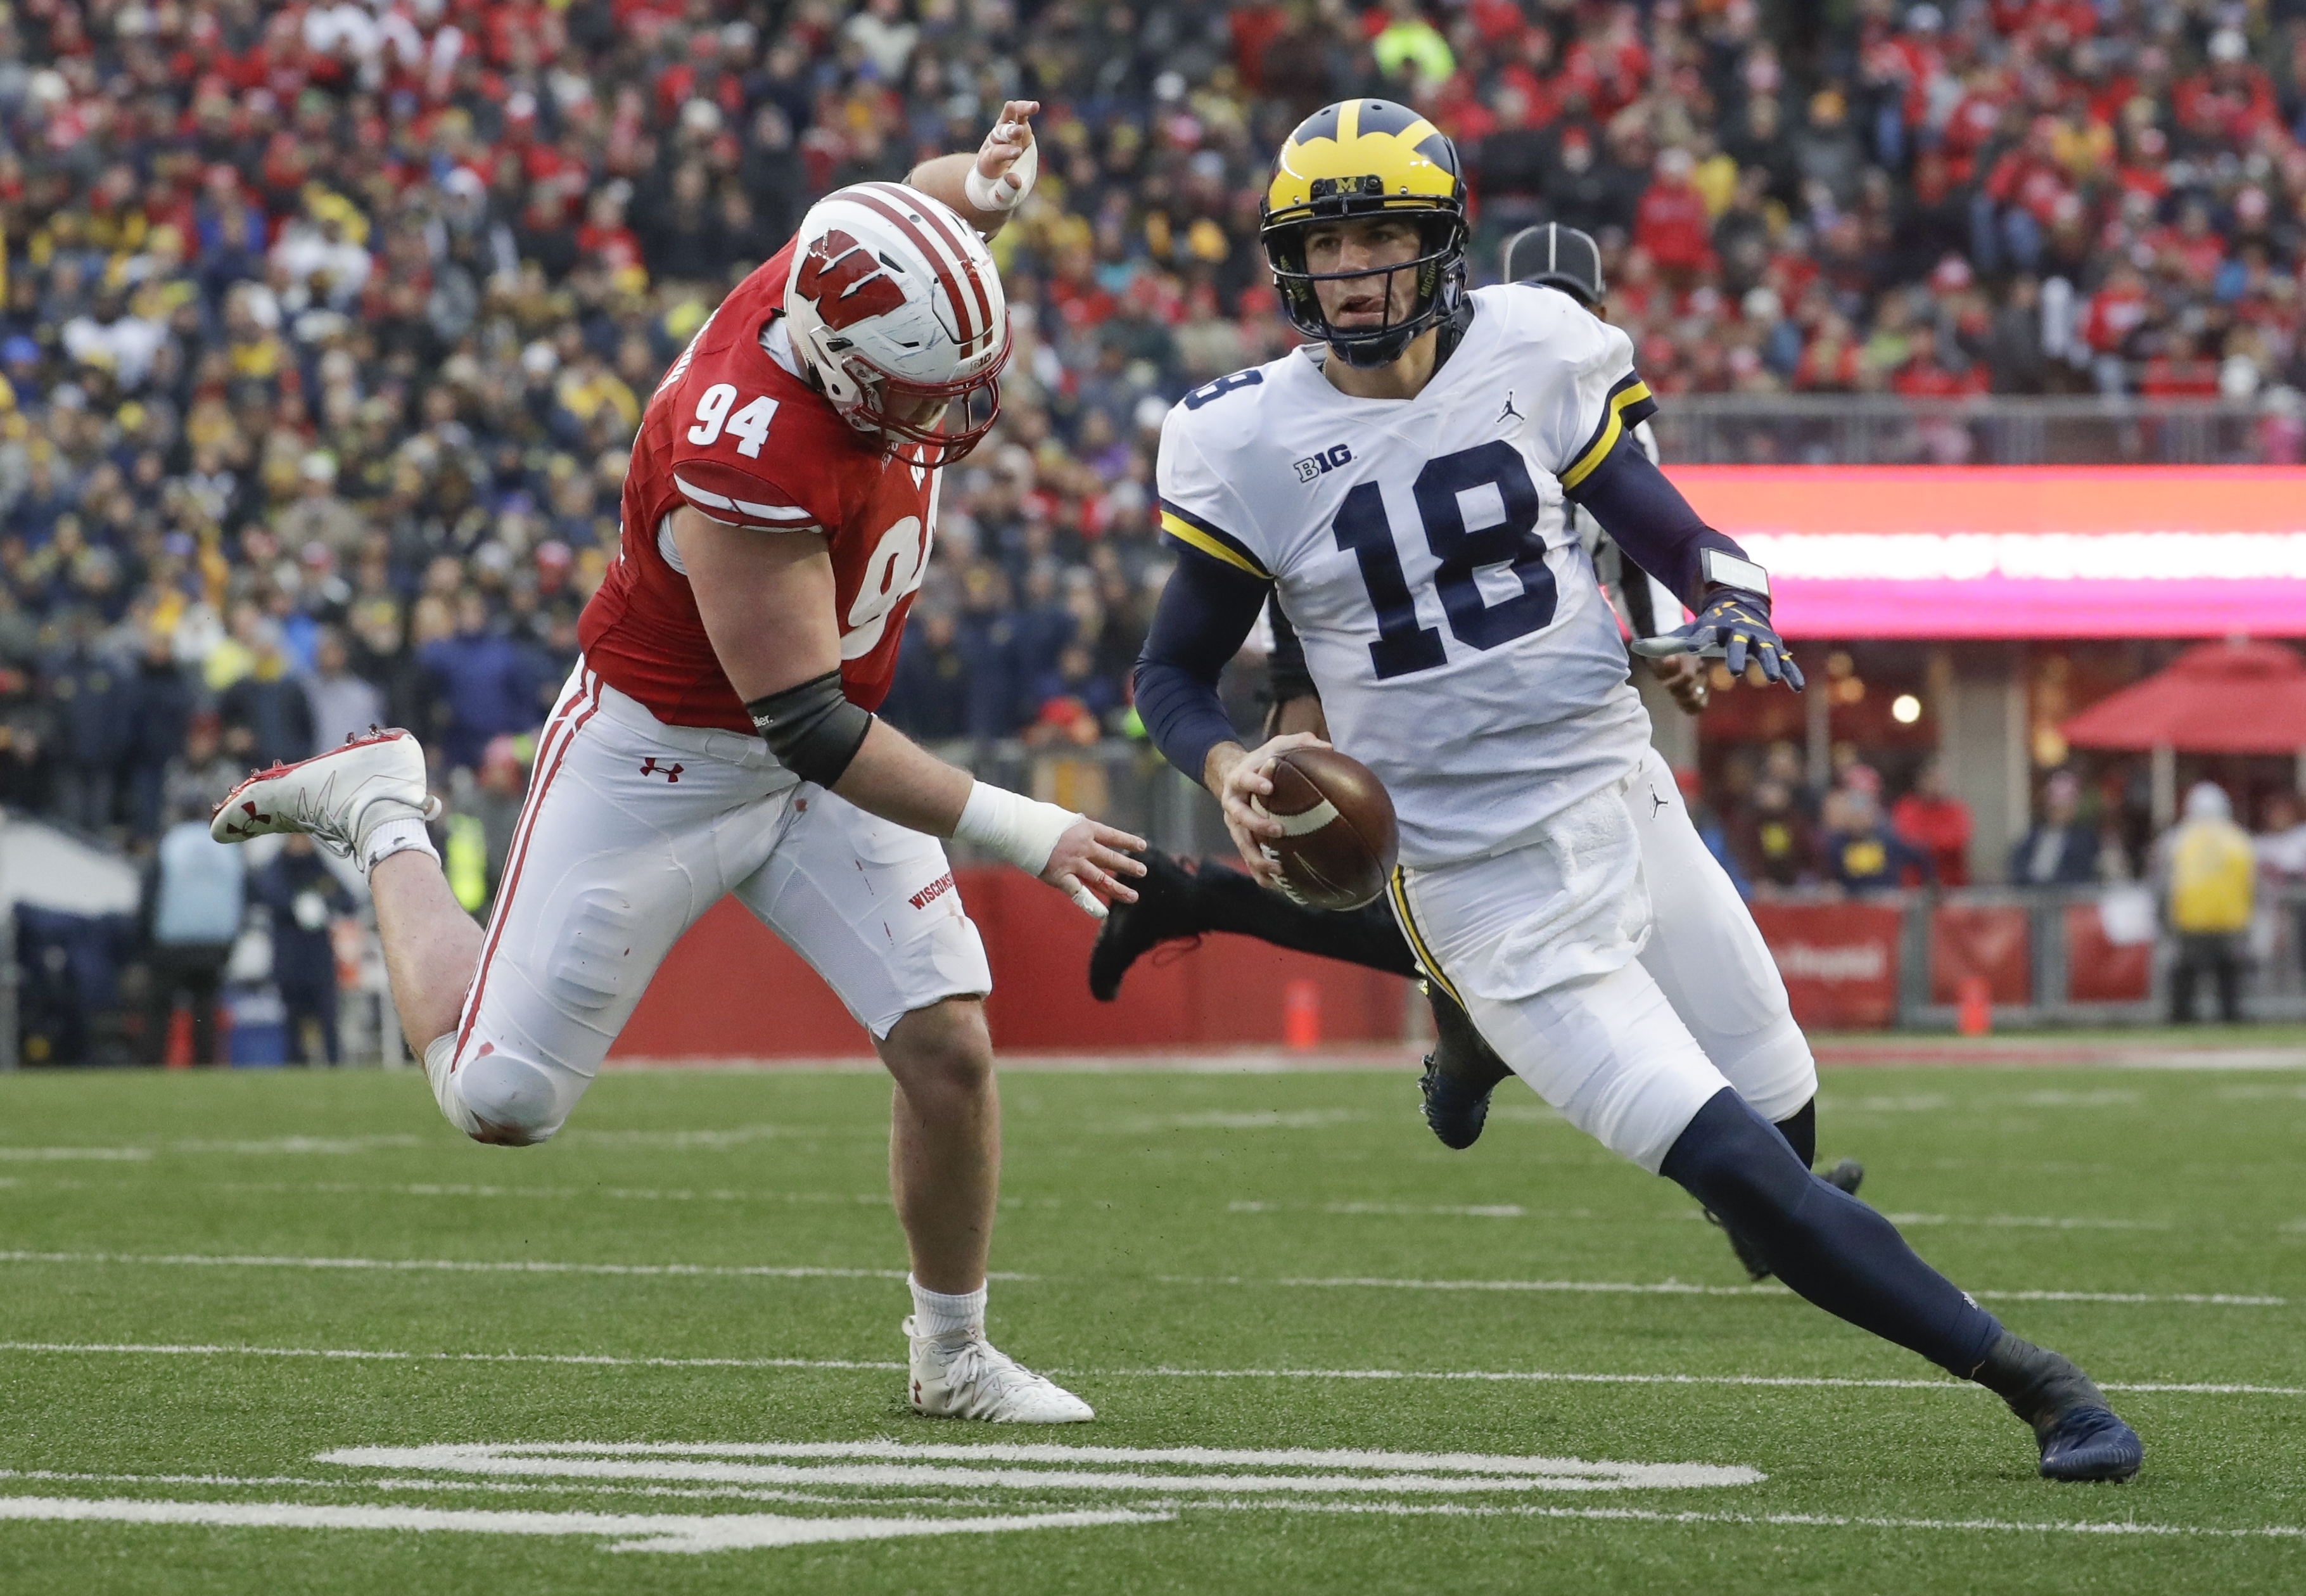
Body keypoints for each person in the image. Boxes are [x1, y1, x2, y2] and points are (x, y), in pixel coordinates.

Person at [1130, 99, 2138, 1483]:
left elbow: (1674, 531)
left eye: (1385, 236)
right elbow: (1168, 671)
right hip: (1478, 881)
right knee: (1736, 1168)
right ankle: (2037, 1382)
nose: (1356, 270)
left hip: (1619, 789)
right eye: (1330, 242)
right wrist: (1228, 758)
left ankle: (1530, 1083)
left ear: (1444, 245)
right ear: (1288, 262)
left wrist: (1725, 601)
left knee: (1783, 1122)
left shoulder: (1536, 345)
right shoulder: (1241, 438)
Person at [210, 107, 1145, 1426]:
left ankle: (950, 1355)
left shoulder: (832, 270)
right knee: (500, 1099)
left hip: (816, 755)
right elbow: (809, 725)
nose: (950, 410)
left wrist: (974, 186)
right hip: (667, 761)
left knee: (946, 1045)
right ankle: (382, 813)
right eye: (923, 386)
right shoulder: (741, 452)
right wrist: (1023, 826)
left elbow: (914, 210)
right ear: (835, 365)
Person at [145, 800, 246, 1066]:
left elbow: (150, 893)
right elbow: (240, 895)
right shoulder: (228, 845)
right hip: (215, 941)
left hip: (172, 941)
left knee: (160, 1008)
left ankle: (153, 1064)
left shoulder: (170, 844)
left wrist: (145, 939)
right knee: (205, 1007)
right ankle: (205, 1064)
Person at [249, 831, 354, 1064]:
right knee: (292, 1021)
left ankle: (336, 1067)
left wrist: (325, 903)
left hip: (318, 960)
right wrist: (295, 904)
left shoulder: (319, 866)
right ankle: (295, 1066)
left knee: (327, 1019)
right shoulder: (277, 867)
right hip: (289, 958)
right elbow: (264, 893)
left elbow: (348, 901)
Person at [2162, 781, 2253, 1023]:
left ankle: (2181, 1020)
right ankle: (2231, 1020)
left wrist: (2163, 919)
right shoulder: (2239, 839)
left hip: (2190, 921)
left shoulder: (2178, 839)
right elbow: (2254, 884)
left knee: (2185, 978)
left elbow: (2163, 883)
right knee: (2229, 980)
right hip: (2231, 921)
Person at [2007, 770, 2099, 886]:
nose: (2059, 812)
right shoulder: (2033, 835)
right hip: (2031, 896)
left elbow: (2081, 874)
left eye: (2064, 808)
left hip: (2064, 898)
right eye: (2055, 808)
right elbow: (2017, 864)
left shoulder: (2084, 840)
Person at [1890, 756, 1972, 886]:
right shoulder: (1907, 807)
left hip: (1951, 885)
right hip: (1913, 885)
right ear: (1921, 781)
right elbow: (1904, 841)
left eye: (1940, 780)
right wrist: (1936, 842)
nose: (1936, 785)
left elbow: (1958, 840)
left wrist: (1927, 842)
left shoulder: (1956, 809)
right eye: (1932, 779)